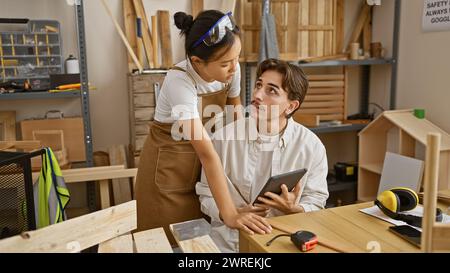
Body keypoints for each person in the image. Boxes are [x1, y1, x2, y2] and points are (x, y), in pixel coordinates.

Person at [134, 10, 271, 244]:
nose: (233, 68)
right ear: (197, 62)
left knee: (201, 245)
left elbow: (236, 118)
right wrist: (229, 214)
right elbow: (207, 153)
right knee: (169, 244)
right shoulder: (179, 81)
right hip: (168, 175)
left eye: (236, 58)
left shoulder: (231, 70)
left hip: (203, 172)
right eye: (225, 63)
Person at [196, 58, 329, 252]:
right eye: (259, 85)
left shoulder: (312, 146)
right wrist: (228, 214)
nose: (257, 95)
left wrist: (294, 209)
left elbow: (317, 201)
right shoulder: (223, 139)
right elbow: (205, 194)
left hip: (283, 243)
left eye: (271, 90)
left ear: (291, 106)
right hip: (228, 244)